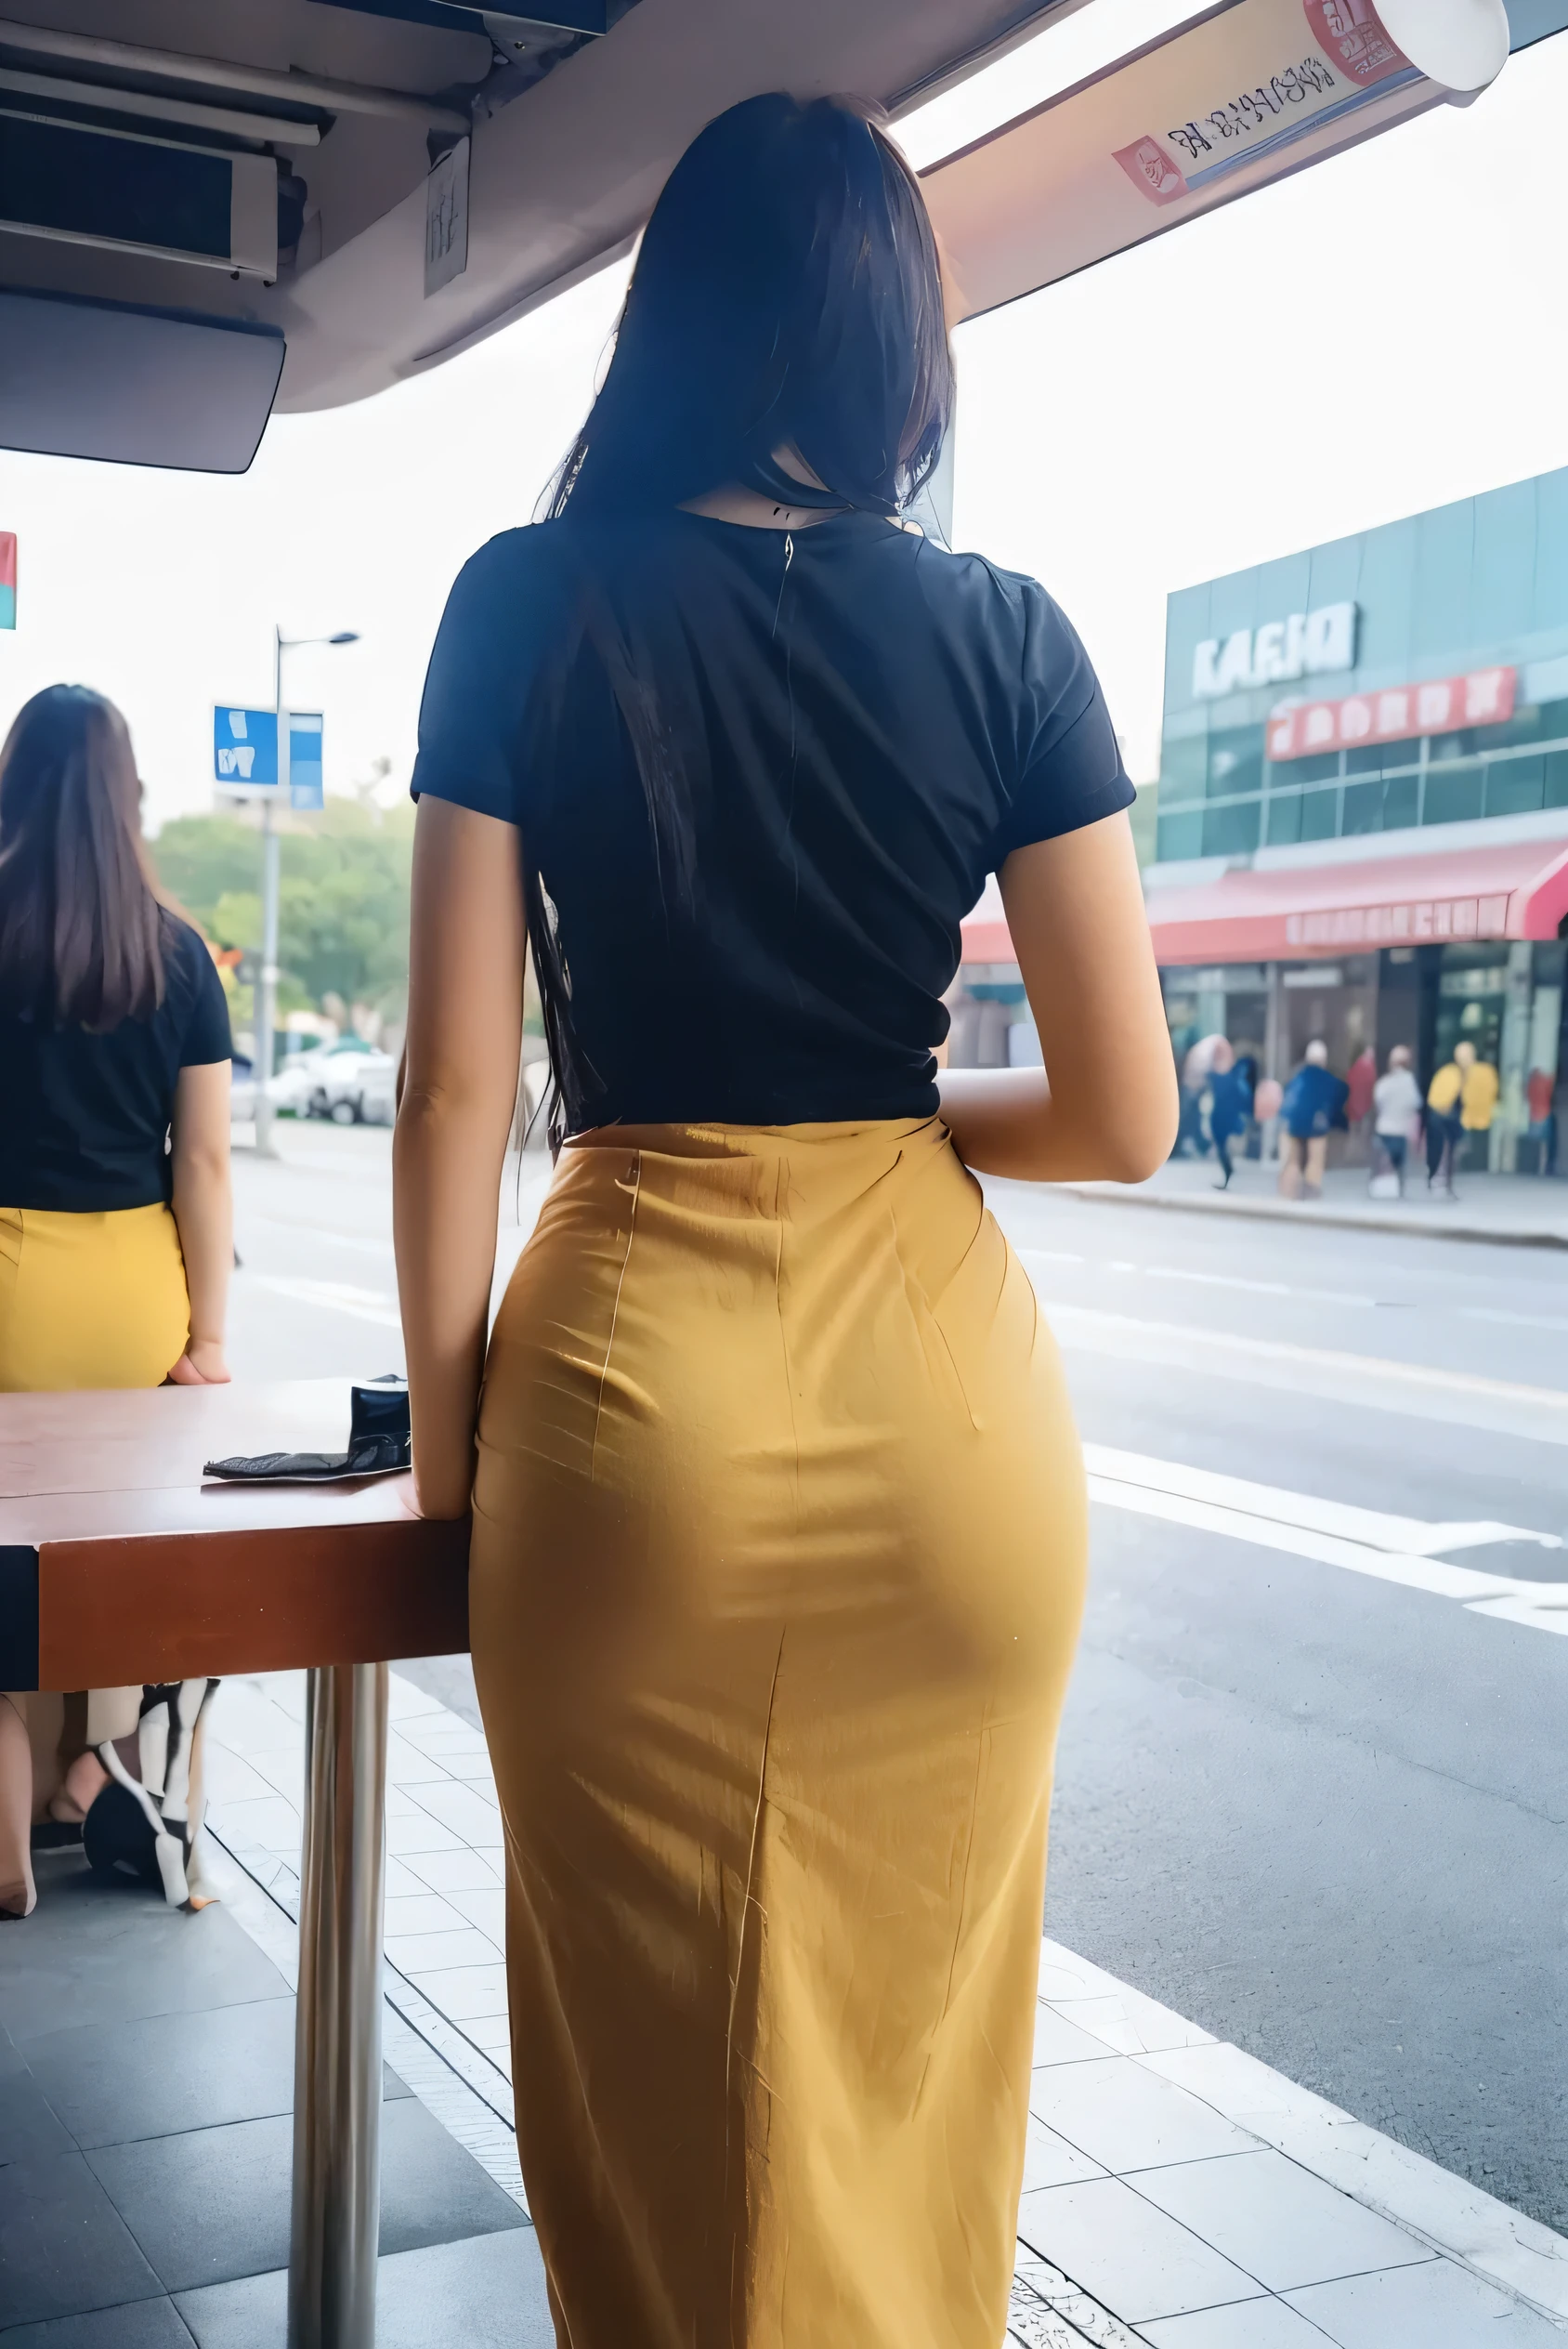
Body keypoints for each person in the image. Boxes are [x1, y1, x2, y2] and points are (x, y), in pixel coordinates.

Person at [394, 93, 1177, 2349]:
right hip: (957, 1425)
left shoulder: (524, 599)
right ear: (896, 350)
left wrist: (462, 1483)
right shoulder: (1010, 637)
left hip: (638, 1392)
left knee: (659, 2107)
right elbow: (1124, 1114)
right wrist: (908, 1125)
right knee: (913, 2100)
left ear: (671, 324)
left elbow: (455, 1092)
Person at [0, 686, 233, 1921]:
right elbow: (200, 1162)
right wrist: (204, 1337)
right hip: (129, 1295)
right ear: (124, 799)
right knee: (111, 1548)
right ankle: (100, 1785)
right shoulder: (179, 952)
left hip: (8, 1284)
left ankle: (17, 1800)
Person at [1277, 1039, 1348, 1200]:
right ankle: (1311, 1188)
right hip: (1317, 1124)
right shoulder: (1329, 1079)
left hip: (1293, 1122)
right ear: (1324, 1060)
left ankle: (1289, 1190)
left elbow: (1287, 1094)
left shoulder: (1297, 1074)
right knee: (1316, 1157)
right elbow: (1338, 1099)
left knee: (1292, 1159)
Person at [1425, 1039, 1483, 1196]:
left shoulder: (1469, 1075)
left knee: (1451, 1151)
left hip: (1453, 1118)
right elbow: (1437, 1099)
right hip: (1442, 1117)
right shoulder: (1450, 1073)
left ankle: (1446, 1181)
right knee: (1439, 1150)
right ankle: (1436, 1179)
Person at [1371, 1043, 1421, 1194]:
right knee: (1400, 1164)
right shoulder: (1411, 1082)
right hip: (1401, 1130)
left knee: (1382, 1161)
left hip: (1384, 1128)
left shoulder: (1384, 1083)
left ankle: (1379, 1187)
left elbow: (1377, 1101)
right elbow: (1415, 1103)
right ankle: (1399, 1188)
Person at [1208, 1048, 1256, 1189]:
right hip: (1224, 1118)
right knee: (1223, 1148)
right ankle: (1228, 1173)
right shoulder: (1235, 1081)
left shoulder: (1228, 1079)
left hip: (1224, 1119)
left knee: (1223, 1148)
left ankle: (1228, 1173)